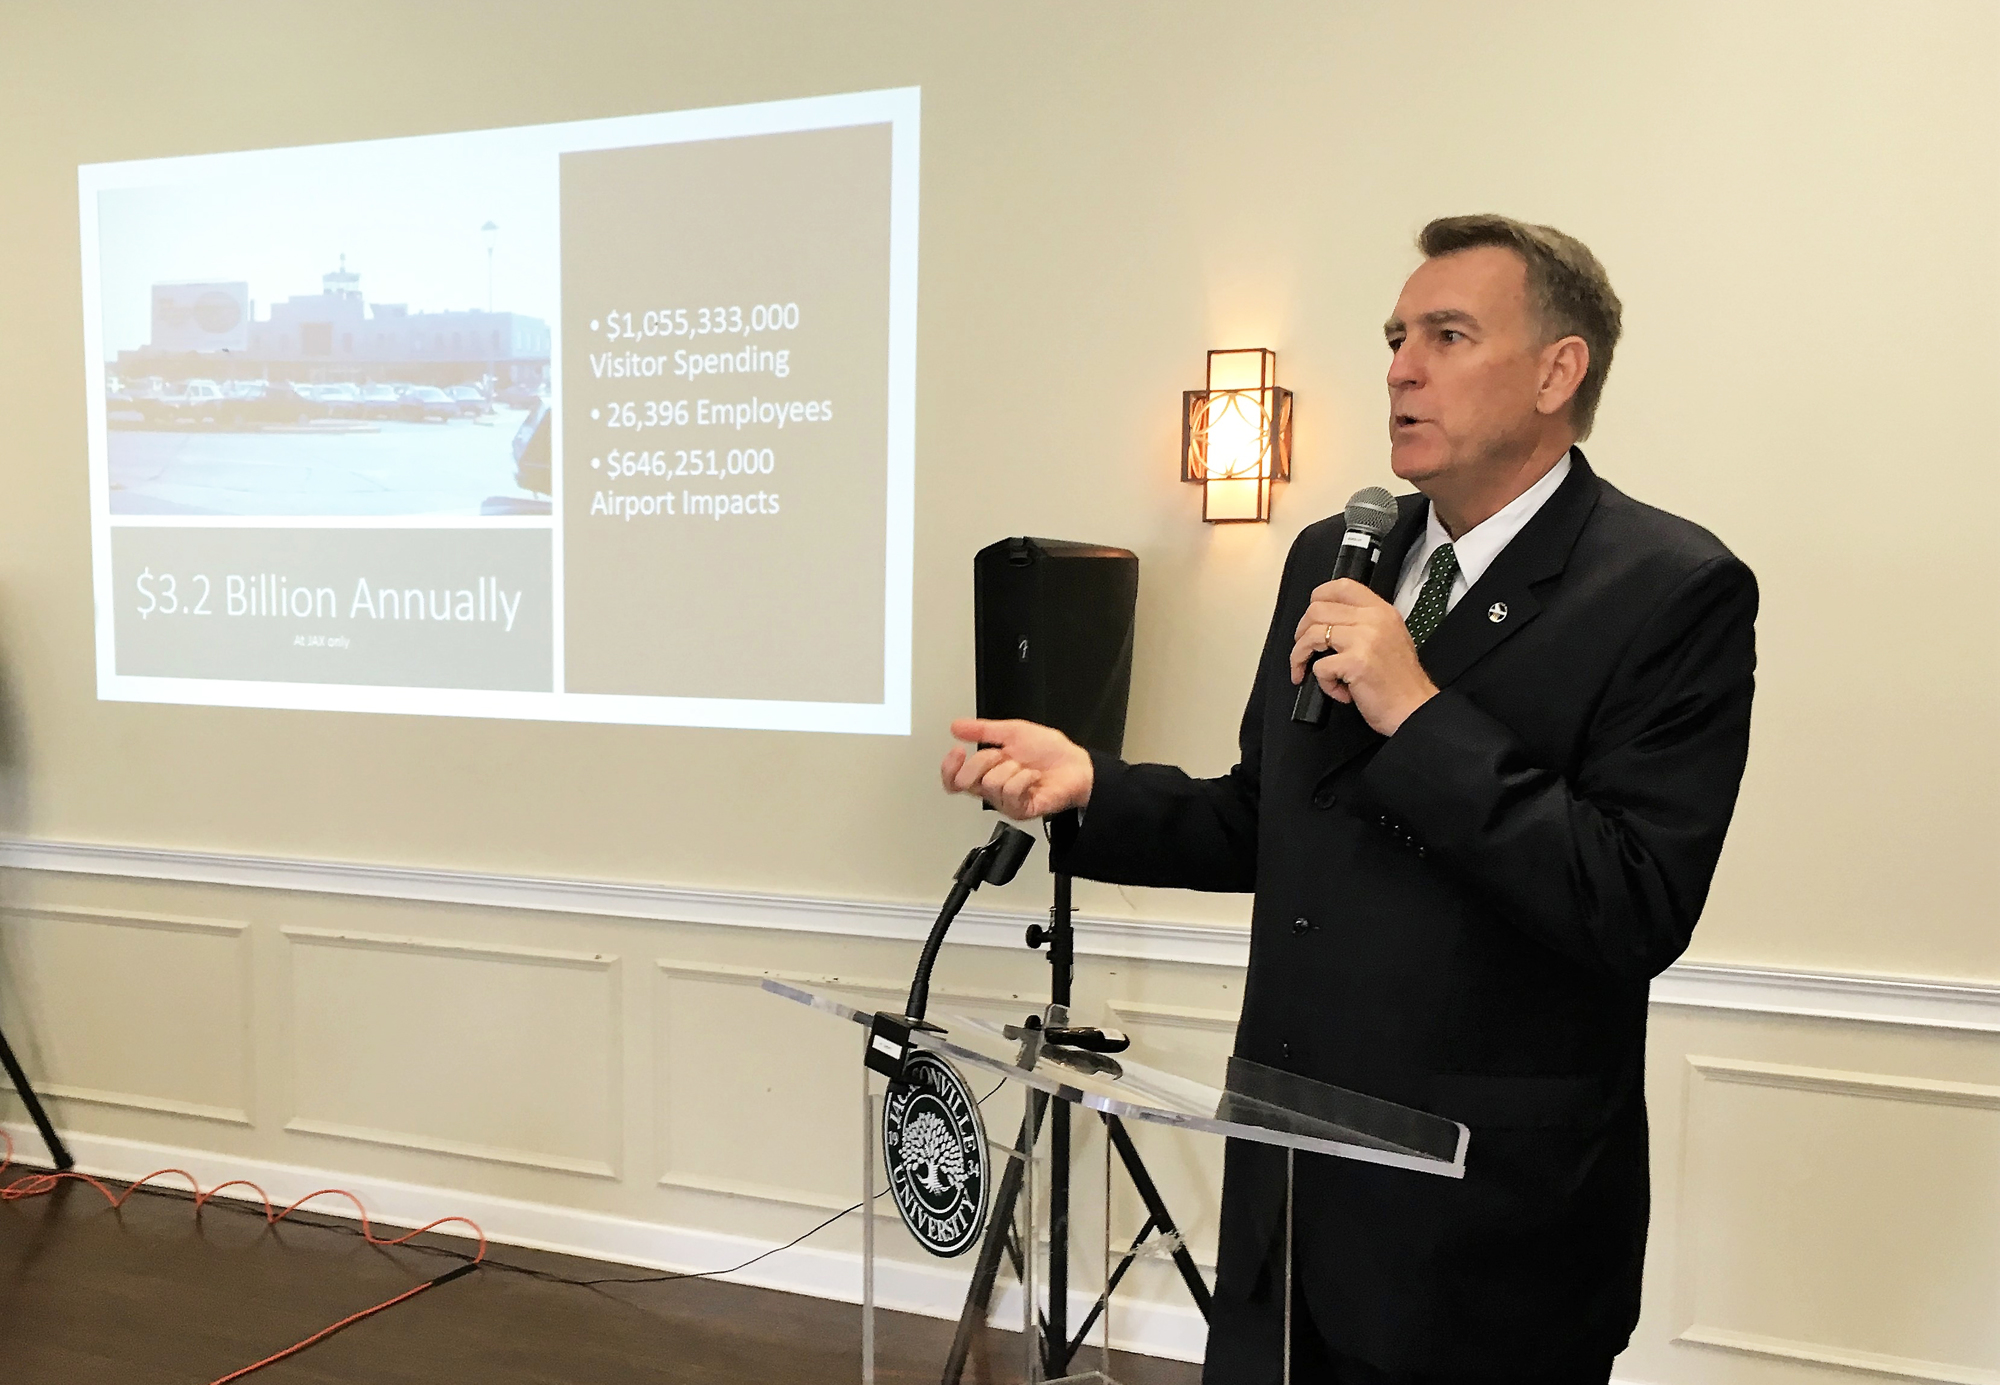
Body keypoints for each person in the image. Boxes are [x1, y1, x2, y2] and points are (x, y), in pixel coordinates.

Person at [940, 215, 1758, 1383]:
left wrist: (1418, 711)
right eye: (1393, 337)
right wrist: (1088, 788)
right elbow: (1263, 818)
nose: (1398, 367)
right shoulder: (1340, 550)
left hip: (1482, 1238)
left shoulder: (1670, 590)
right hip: (1284, 1195)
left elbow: (1631, 900)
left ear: (1555, 370)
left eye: (1445, 334)